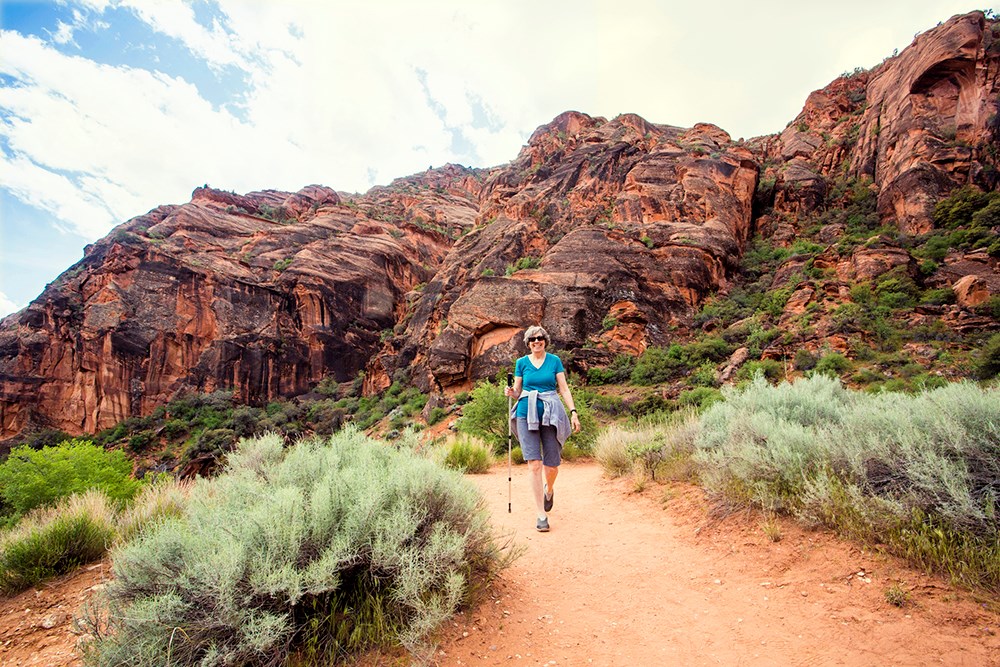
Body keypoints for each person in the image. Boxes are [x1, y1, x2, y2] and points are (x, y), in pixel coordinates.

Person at [504, 325, 581, 532]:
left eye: (539, 338)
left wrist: (573, 412)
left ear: (545, 340)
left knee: (552, 465)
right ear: (528, 343)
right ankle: (541, 514)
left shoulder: (554, 361)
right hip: (525, 412)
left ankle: (550, 490)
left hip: (551, 413)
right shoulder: (521, 363)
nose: (536, 341)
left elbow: (563, 388)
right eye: (532, 339)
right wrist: (510, 392)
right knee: (534, 464)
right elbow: (518, 391)